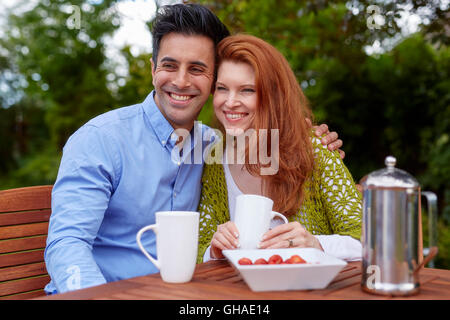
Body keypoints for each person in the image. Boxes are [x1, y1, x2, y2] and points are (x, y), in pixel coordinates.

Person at [44, 4, 343, 294]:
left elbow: (274, 143)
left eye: (197, 69)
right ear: (152, 70)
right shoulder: (102, 140)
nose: (181, 81)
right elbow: (68, 243)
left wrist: (310, 143)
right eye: (169, 65)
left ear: (214, 81)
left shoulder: (213, 146)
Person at [197, 34, 362, 263]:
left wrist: (316, 244)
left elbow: (367, 241)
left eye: (247, 90)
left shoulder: (316, 149)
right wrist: (214, 250)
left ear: (272, 96)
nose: (230, 101)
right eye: (222, 88)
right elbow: (199, 249)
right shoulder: (214, 161)